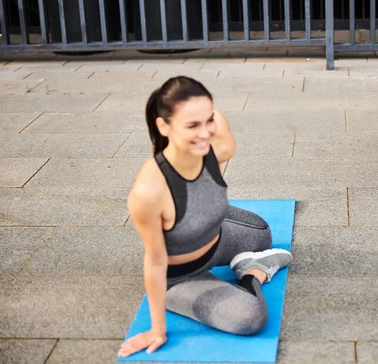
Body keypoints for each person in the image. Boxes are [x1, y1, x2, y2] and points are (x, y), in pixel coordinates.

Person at [118, 76, 292, 358]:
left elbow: (216, 126)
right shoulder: (149, 191)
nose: (204, 133)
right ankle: (253, 272)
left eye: (208, 121)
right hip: (182, 275)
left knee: (263, 233)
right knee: (249, 318)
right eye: (192, 126)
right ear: (164, 126)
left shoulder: (217, 147)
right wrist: (157, 329)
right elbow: (154, 261)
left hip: (218, 237)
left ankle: (246, 256)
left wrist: (200, 114)